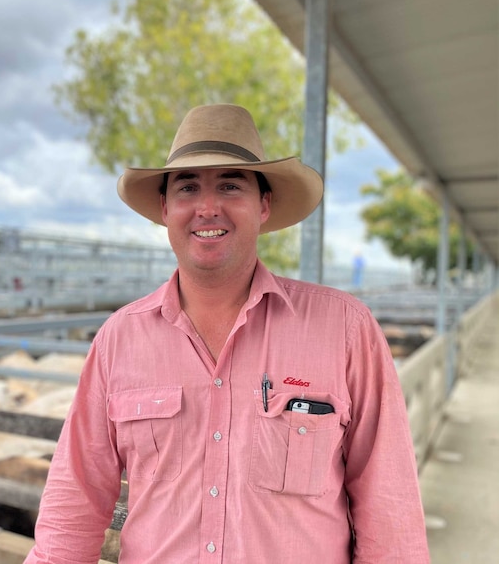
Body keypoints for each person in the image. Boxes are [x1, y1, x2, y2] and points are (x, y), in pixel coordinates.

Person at [24, 104, 429, 563]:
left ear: (263, 205)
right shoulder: (119, 339)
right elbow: (75, 499)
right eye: (188, 187)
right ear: (165, 208)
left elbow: (389, 507)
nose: (207, 207)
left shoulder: (345, 330)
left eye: (231, 185)